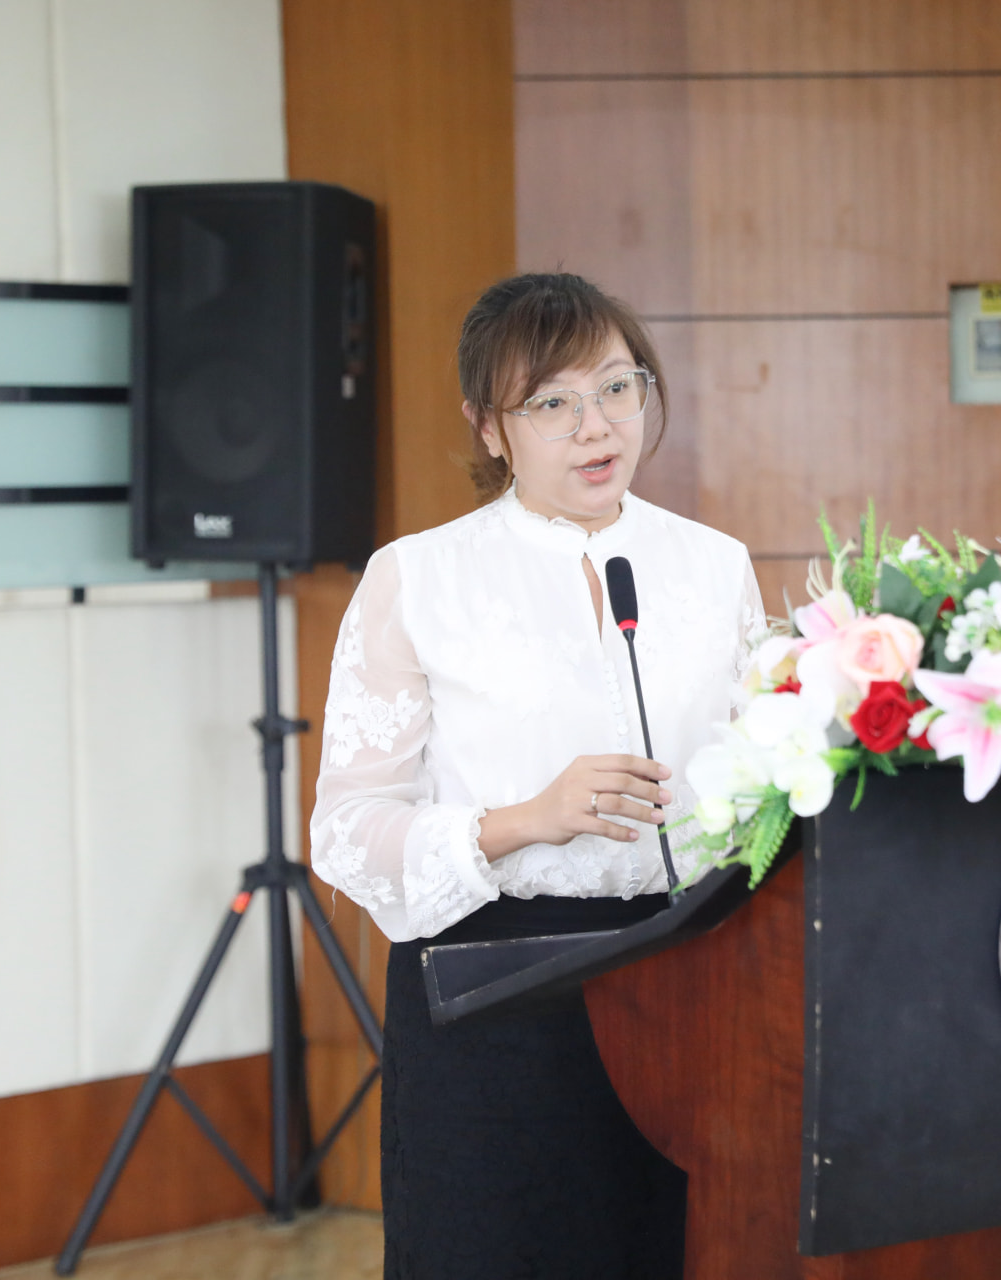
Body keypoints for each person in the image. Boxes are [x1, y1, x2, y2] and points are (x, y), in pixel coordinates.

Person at [308, 273, 763, 1278]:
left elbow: (759, 785)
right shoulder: (417, 577)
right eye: (551, 402)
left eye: (616, 388)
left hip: (688, 983)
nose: (595, 426)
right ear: (489, 427)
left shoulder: (714, 564)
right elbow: (347, 830)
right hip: (497, 999)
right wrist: (524, 818)